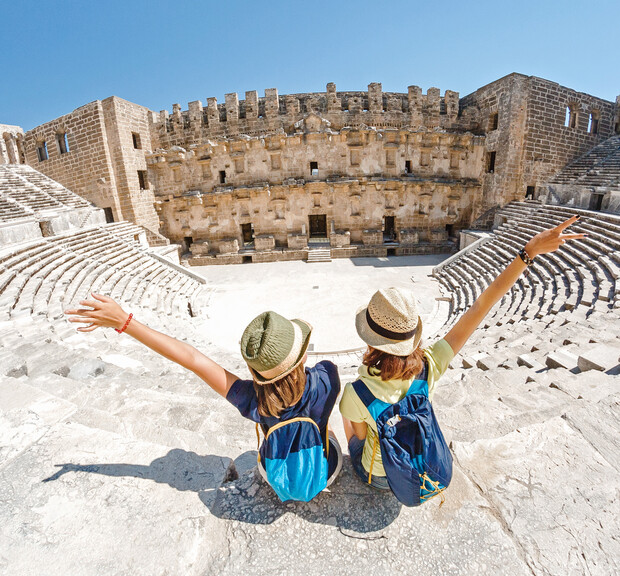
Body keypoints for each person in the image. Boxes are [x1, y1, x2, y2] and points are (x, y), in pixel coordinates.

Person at [340, 215, 585, 490]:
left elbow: (360, 437)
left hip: (385, 478)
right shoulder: (430, 365)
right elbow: (481, 306)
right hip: (422, 464)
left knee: (350, 428)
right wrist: (528, 252)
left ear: (371, 340)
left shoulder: (356, 392)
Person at [65, 298, 343, 496]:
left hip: (275, 478)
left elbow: (192, 359)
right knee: (326, 427)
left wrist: (126, 322)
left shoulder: (252, 398)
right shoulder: (327, 378)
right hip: (323, 472)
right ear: (302, 356)